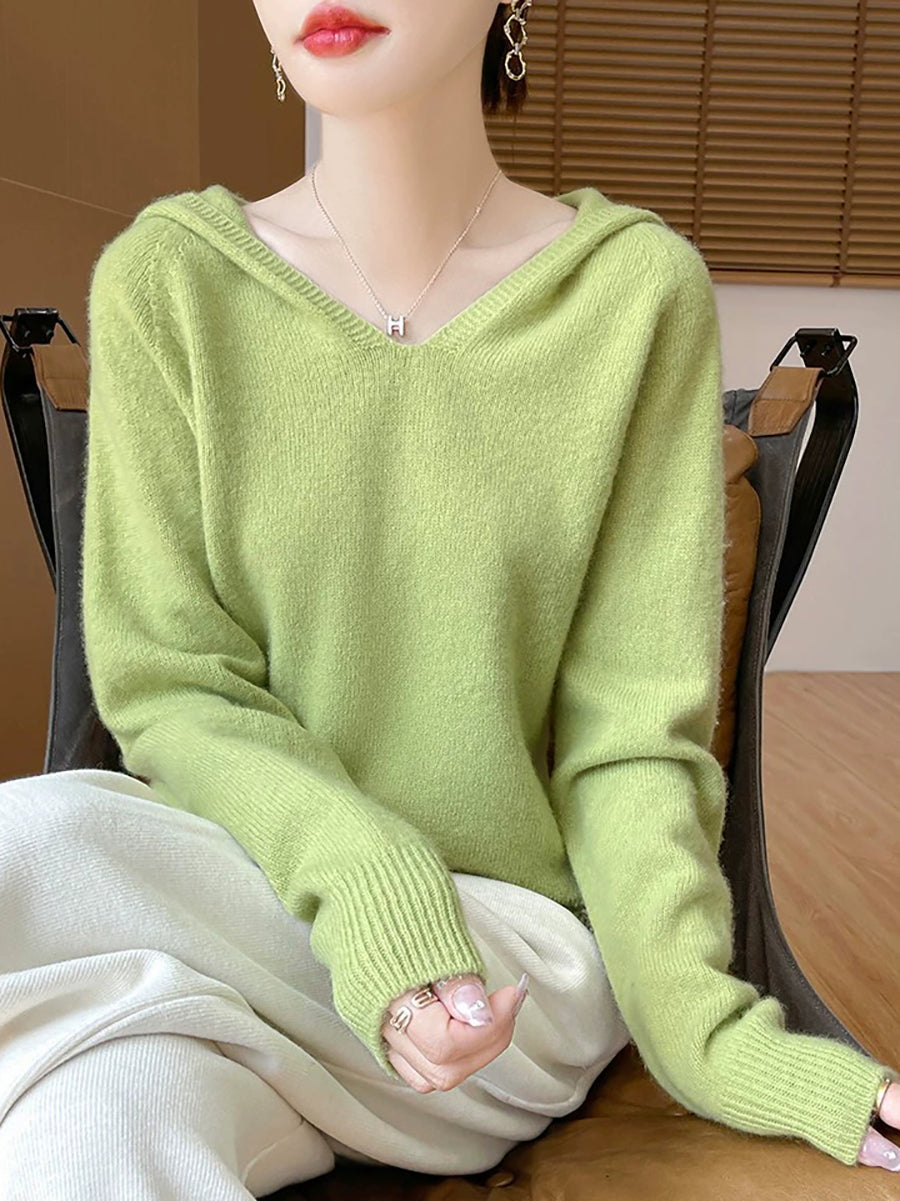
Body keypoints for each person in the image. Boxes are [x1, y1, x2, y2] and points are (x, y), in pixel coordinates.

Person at [0, 1, 897, 1196]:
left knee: (35, 847)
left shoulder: (632, 294)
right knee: (90, 1128)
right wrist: (373, 892)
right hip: (235, 921)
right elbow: (175, 686)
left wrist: (720, 1042)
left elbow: (631, 743)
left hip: (499, 977)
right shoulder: (170, 281)